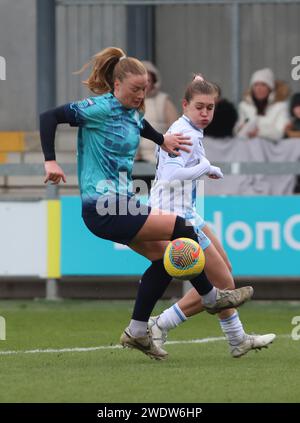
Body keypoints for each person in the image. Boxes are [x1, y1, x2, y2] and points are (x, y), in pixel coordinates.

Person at [40, 47, 253, 361]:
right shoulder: (97, 108)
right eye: (135, 89)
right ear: (116, 86)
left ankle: (139, 330)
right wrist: (50, 162)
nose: (141, 95)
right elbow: (49, 117)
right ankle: (210, 297)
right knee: (181, 228)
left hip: (122, 205)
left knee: (169, 258)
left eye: (145, 89)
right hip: (103, 206)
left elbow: (140, 126)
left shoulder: (132, 113)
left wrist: (162, 140)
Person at [149, 75, 276, 358]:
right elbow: (170, 176)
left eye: (210, 107)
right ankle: (159, 324)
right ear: (185, 105)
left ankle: (237, 339)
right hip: (173, 215)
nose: (206, 113)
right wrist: (204, 166)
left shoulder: (190, 127)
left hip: (188, 211)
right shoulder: (185, 133)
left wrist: (206, 168)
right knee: (223, 284)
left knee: (225, 274)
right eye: (200, 107)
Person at [135, 61, 179, 163]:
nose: (144, 84)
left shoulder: (164, 102)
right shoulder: (130, 101)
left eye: (148, 80)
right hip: (134, 160)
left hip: (156, 159)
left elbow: (176, 130)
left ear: (154, 82)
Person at [235, 68, 289, 141]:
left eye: (263, 85)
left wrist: (259, 132)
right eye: (256, 85)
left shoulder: (280, 107)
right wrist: (239, 128)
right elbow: (238, 128)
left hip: (270, 150)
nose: (259, 88)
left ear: (270, 88)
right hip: (247, 148)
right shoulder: (244, 106)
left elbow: (280, 133)